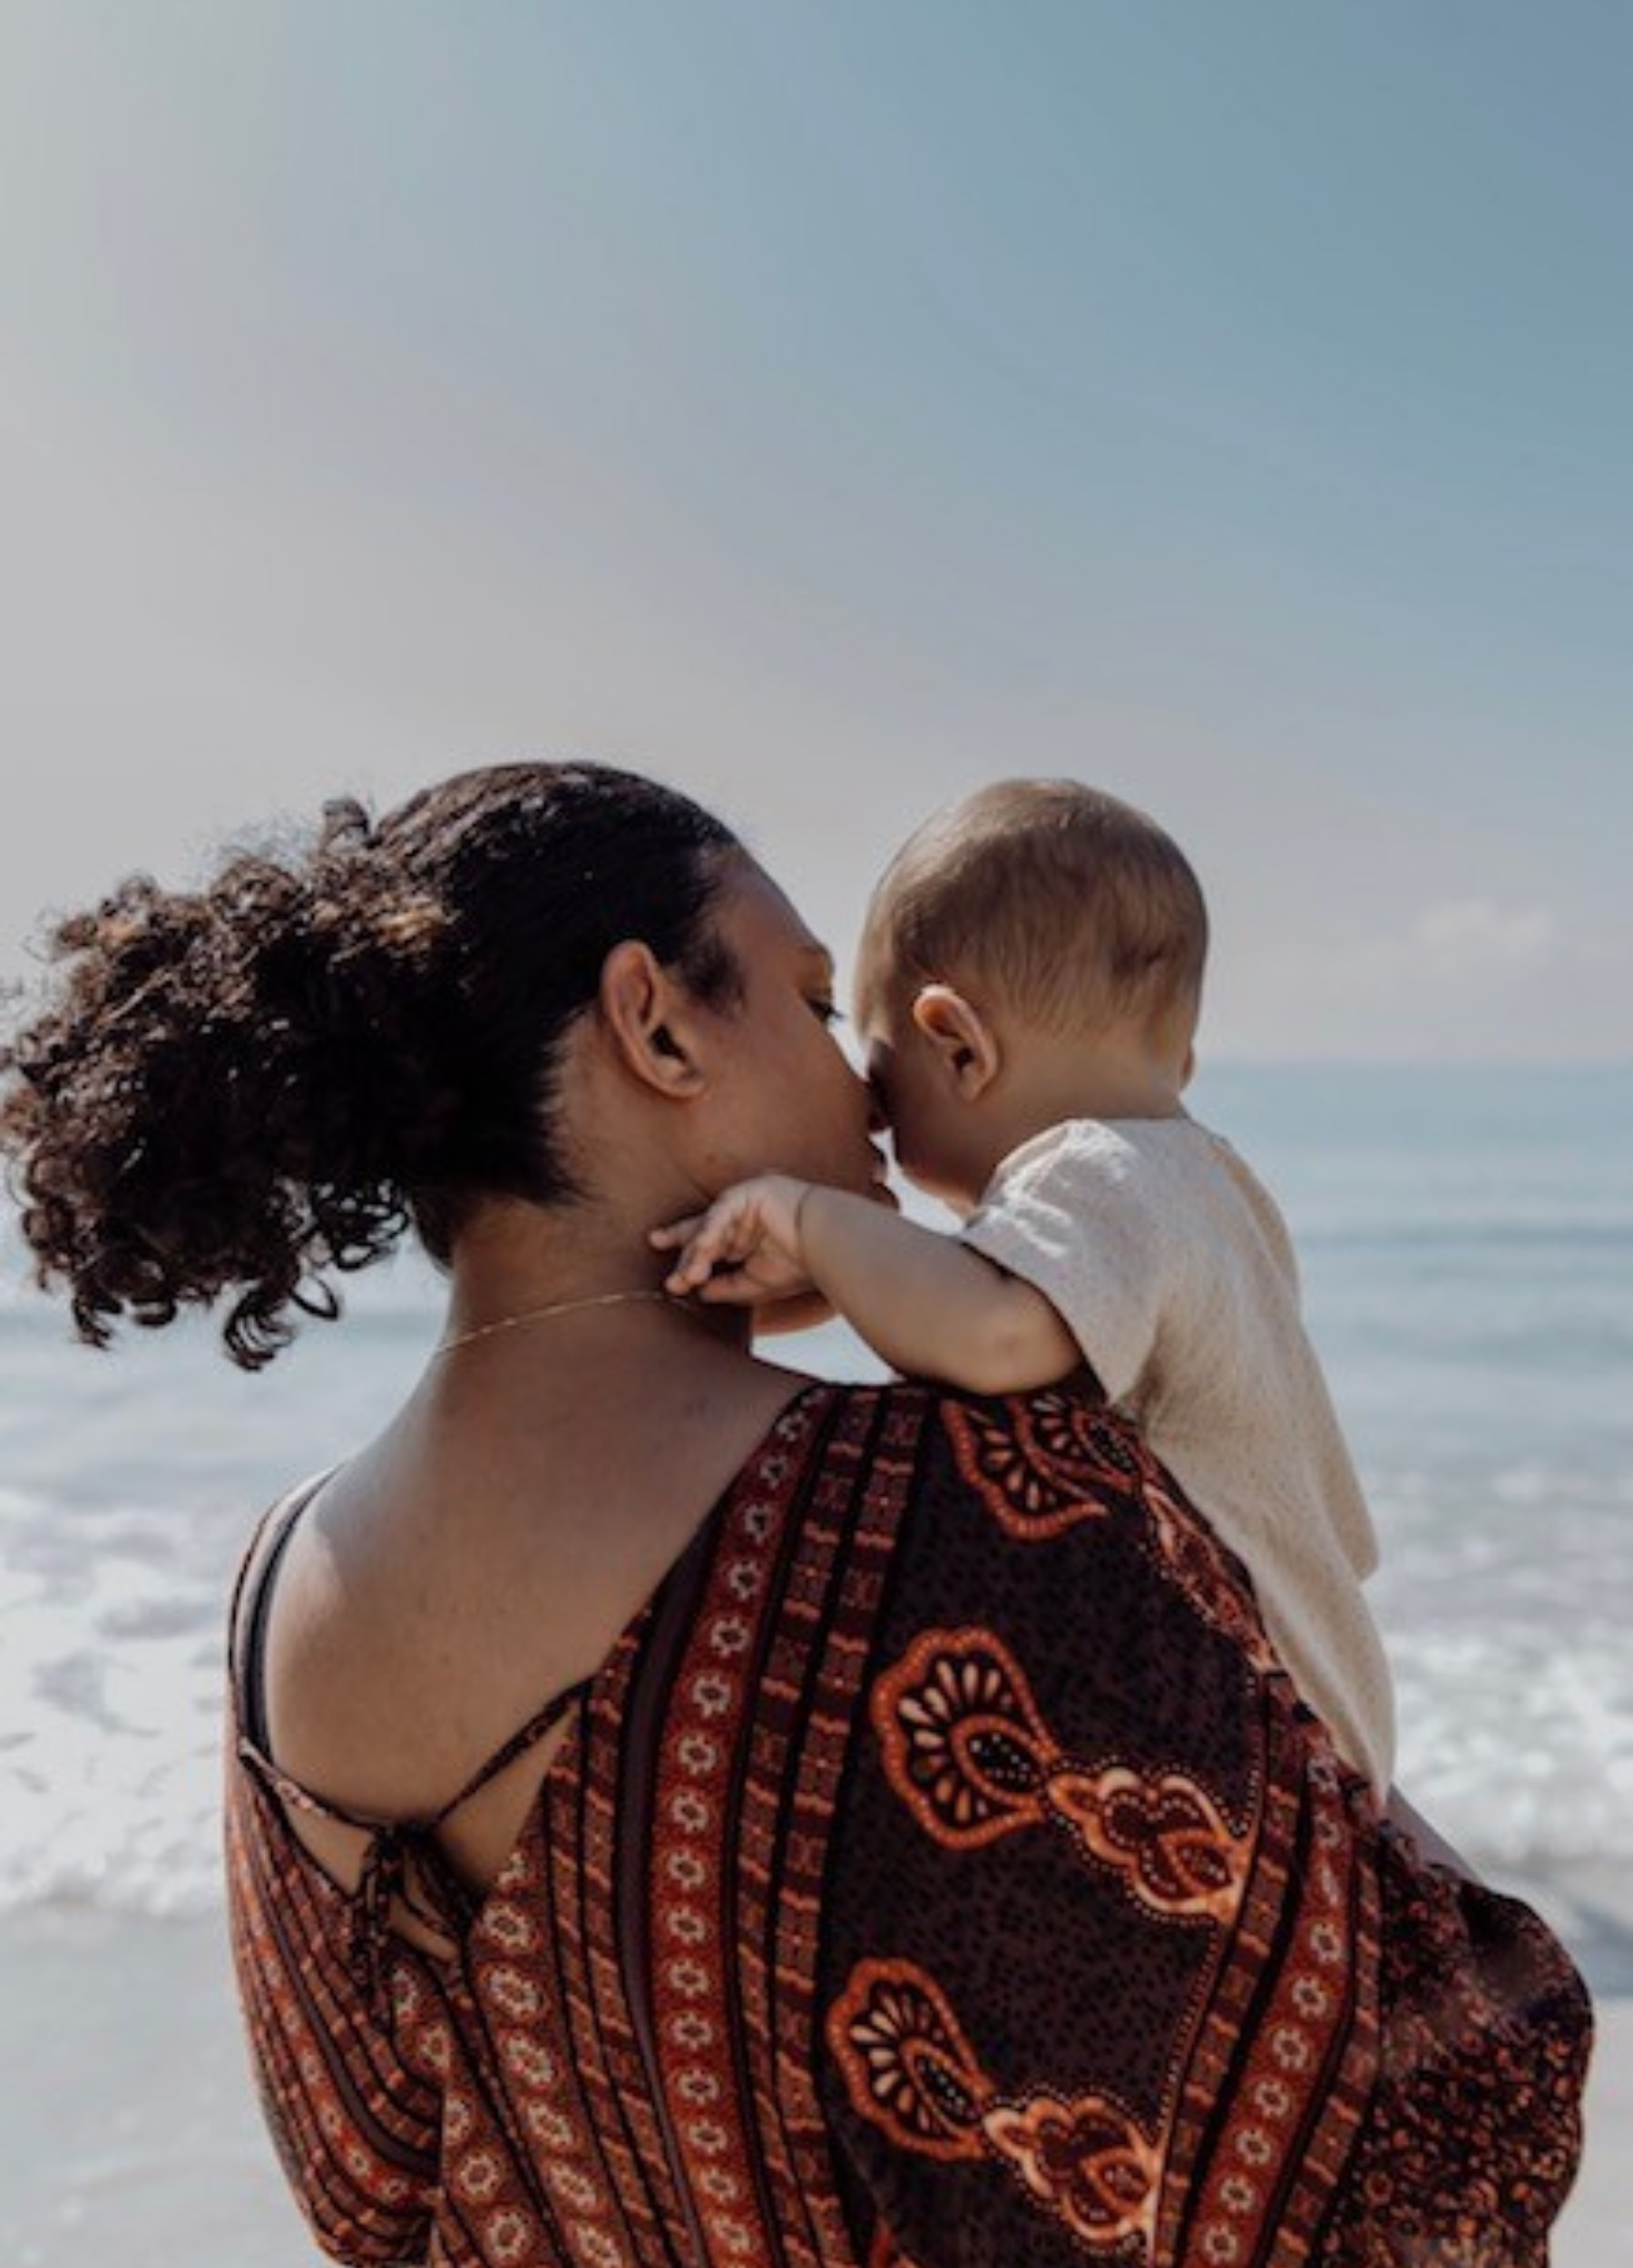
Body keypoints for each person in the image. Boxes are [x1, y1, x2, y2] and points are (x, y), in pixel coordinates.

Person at [0, 760, 1591, 2267]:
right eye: (821, 1004)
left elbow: (367, 2201)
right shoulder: (965, 1504)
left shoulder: (278, 1590)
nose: (871, 1086)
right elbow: (1402, 2109)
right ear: (655, 1026)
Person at [655, 779, 1393, 1795]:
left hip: (1257, 1733)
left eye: (881, 1072)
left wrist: (810, 1221)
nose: (869, 1117)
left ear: (958, 1044)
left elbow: (994, 1335)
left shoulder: (1095, 1168)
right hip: (1325, 1713)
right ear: (1177, 1055)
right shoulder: (1213, 1192)